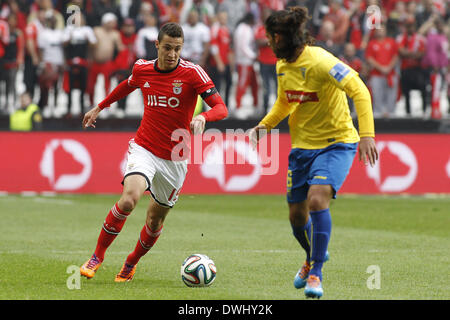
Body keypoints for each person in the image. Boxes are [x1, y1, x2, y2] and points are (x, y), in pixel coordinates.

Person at [80, 22, 228, 282]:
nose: (172, 54)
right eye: (168, 48)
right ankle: (97, 257)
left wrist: (204, 117)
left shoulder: (193, 73)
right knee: (128, 200)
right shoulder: (142, 68)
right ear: (157, 45)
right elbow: (127, 85)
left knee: (154, 221)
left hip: (175, 158)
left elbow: (221, 108)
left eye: (178, 49)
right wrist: (99, 107)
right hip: (144, 148)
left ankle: (130, 263)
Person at [249, 6, 378, 299]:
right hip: (302, 147)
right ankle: (311, 257)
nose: (268, 43)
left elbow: (359, 89)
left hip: (337, 142)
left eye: (271, 38)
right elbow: (285, 101)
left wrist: (367, 134)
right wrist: (265, 125)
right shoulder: (283, 66)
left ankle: (316, 274)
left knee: (317, 199)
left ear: (282, 38)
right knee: (297, 217)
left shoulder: (321, 61)